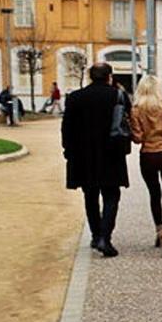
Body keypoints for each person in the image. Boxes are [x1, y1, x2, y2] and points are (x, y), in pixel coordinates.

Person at [61, 63, 130, 258]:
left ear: (91, 77)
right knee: (111, 195)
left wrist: (68, 150)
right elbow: (127, 120)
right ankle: (105, 238)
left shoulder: (75, 98)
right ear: (109, 76)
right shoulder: (118, 96)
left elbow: (67, 127)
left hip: (83, 155)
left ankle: (95, 234)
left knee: (90, 195)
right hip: (111, 152)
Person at [130, 75, 162, 258]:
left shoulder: (136, 110)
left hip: (148, 155)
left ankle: (159, 230)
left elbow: (137, 138)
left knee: (154, 193)